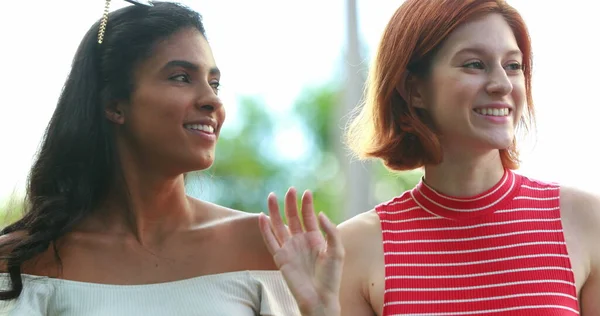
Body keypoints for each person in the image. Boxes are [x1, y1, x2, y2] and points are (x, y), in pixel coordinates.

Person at [259, 0, 600, 315]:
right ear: (414, 90)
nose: (502, 84)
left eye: (513, 65)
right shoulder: (354, 249)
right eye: (475, 64)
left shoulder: (585, 221)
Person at [0, 2, 299, 315]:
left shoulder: (262, 247)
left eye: (214, 83)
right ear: (114, 104)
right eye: (181, 77)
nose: (212, 100)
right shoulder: (23, 264)